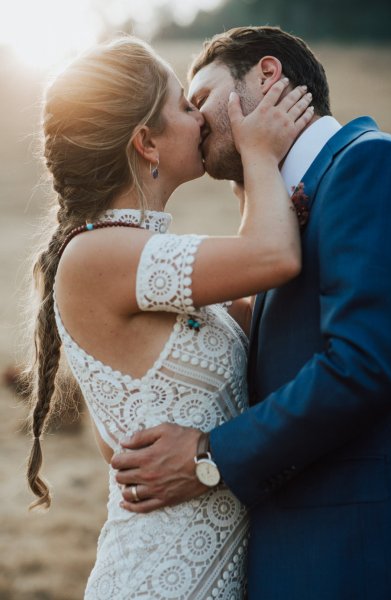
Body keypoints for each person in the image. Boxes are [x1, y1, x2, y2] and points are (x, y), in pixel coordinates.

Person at [112, 27, 391, 599]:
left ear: (266, 75)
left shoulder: (369, 164)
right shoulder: (291, 205)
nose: (195, 122)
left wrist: (208, 457)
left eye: (202, 99)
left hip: (349, 554)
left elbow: (365, 363)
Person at [26, 36, 313, 598]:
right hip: (156, 582)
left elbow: (264, 316)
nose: (202, 118)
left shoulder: (149, 260)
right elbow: (273, 256)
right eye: (186, 105)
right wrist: (256, 154)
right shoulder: (95, 256)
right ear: (146, 143)